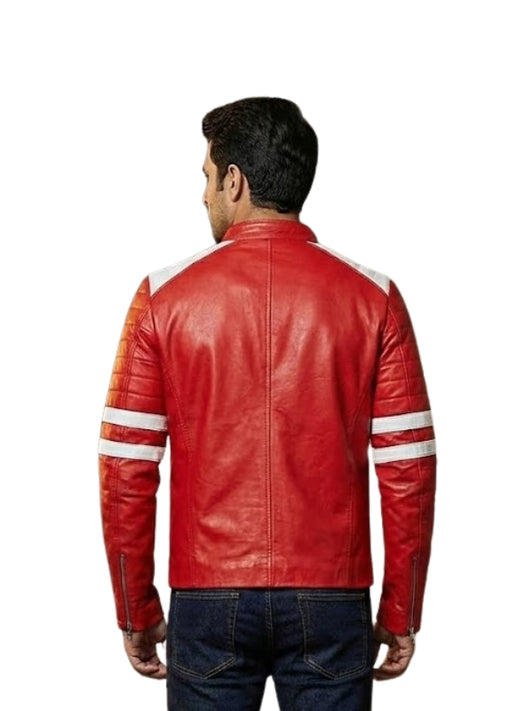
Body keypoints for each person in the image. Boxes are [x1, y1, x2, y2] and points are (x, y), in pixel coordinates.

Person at [98, 96, 436, 711]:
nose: (202, 194)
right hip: (333, 598)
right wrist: (401, 607)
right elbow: (408, 467)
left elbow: (125, 466)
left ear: (235, 181)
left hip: (207, 597)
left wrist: (135, 608)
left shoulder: (160, 299)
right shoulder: (376, 298)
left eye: (207, 177)